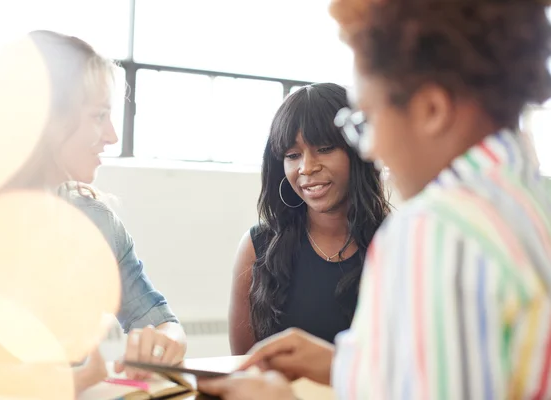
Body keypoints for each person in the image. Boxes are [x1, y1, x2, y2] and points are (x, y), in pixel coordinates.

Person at [199, 0, 551, 398]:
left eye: (368, 119)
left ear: (431, 110)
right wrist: (344, 366)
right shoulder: (533, 201)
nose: (370, 150)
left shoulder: (439, 230)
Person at [0, 30, 185, 396]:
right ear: (47, 121)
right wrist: (72, 381)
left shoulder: (97, 221)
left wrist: (163, 342)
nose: (112, 136)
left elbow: (163, 323)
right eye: (99, 116)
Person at [229, 83, 389, 355]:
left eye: (325, 148)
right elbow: (243, 366)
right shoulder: (258, 246)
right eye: (292, 155)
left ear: (357, 151)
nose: (307, 167)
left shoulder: (398, 242)